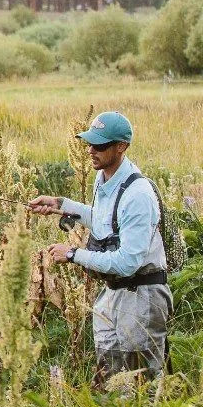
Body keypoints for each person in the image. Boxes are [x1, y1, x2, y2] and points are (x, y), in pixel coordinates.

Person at [27, 111, 170, 379]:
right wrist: (60, 205)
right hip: (112, 293)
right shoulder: (103, 177)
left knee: (144, 383)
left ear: (122, 146)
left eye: (100, 145)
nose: (91, 150)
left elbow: (128, 262)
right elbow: (105, 222)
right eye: (89, 143)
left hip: (140, 296)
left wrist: (73, 254)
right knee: (110, 378)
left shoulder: (138, 195)